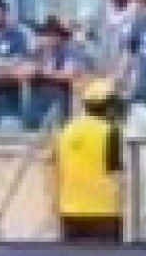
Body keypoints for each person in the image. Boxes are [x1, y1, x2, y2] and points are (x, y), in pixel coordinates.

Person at [54, 80, 126, 244]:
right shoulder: (110, 131)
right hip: (104, 212)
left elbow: (57, 168)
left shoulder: (66, 130)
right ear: (107, 106)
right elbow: (116, 174)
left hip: (70, 211)